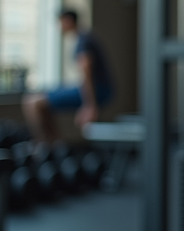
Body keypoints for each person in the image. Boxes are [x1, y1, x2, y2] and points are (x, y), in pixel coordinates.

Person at [22, 9, 115, 144]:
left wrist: (90, 105)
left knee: (33, 103)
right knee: (36, 100)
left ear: (68, 21)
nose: (59, 27)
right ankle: (54, 144)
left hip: (99, 89)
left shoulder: (83, 40)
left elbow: (86, 68)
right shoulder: (84, 37)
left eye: (60, 22)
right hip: (101, 88)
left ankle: (50, 146)